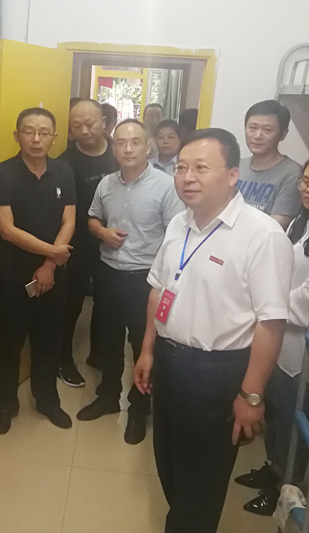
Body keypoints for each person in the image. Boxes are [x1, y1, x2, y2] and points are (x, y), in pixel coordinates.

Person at [134, 128, 293, 532]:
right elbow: (158, 290)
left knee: (201, 485)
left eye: (201, 168)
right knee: (170, 466)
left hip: (218, 373)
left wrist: (251, 395)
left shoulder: (262, 235)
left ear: (233, 175)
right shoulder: (179, 223)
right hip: (169, 361)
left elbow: (271, 322)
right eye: (181, 168)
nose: (187, 177)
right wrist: (148, 350)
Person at [237, 153, 309, 515]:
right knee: (276, 414)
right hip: (280, 337)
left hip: (306, 342)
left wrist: (268, 303)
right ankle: (273, 470)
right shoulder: (303, 222)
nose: (308, 189)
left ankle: (287, 488)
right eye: (305, 181)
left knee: (296, 421)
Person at [78, 119, 183, 444]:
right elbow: (92, 218)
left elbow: (176, 236)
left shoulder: (166, 186)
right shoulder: (106, 184)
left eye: (135, 141)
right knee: (107, 341)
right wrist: (101, 232)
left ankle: (139, 408)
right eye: (121, 142)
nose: (127, 148)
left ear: (148, 146)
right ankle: (108, 396)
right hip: (109, 273)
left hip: (146, 280)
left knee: (143, 344)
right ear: (113, 148)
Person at [0, 107, 76, 434]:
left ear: (53, 137)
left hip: (53, 275)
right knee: (10, 343)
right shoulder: (0, 175)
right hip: (12, 276)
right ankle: (6, 403)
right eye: (29, 131)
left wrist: (50, 265)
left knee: (48, 342)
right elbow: (7, 230)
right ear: (17, 135)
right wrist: (53, 253)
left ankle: (47, 400)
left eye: (43, 132)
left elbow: (69, 221)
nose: (36, 139)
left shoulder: (64, 172)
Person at [57, 99, 120, 387]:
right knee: (71, 303)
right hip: (78, 243)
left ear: (104, 122)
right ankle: (62, 358)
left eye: (90, 123)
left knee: (107, 302)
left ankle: (99, 354)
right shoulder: (64, 163)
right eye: (76, 126)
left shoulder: (119, 153)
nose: (83, 130)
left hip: (115, 241)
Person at [238, 100, 302, 230]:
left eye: (267, 130)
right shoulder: (236, 165)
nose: (258, 136)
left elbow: (276, 225)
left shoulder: (293, 173)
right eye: (253, 128)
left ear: (283, 134)